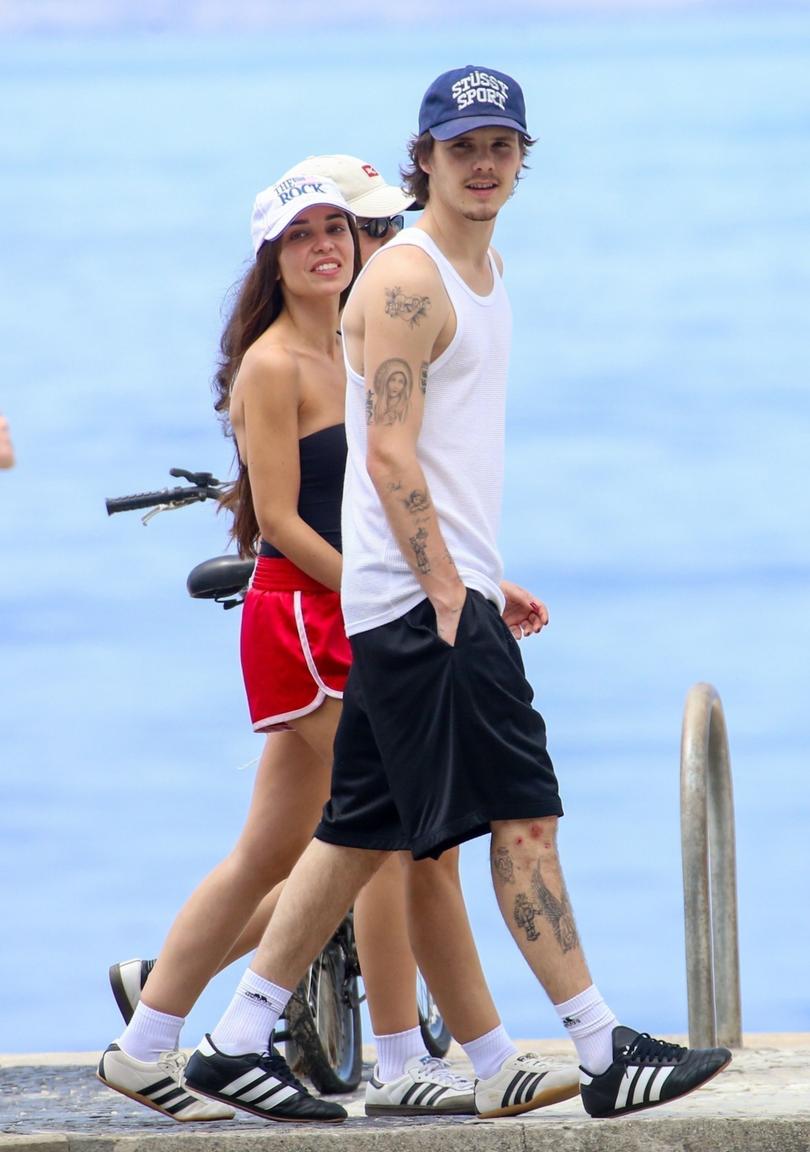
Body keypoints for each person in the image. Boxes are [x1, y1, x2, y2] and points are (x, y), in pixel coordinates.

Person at [181, 66, 733, 1124]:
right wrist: (446, 590)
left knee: (362, 833)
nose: (482, 164)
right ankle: (599, 1041)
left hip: (431, 592)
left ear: (524, 160)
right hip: (420, 605)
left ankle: (232, 1039)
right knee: (526, 813)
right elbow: (387, 455)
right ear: (422, 157)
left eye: (501, 146)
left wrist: (483, 571)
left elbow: (445, 451)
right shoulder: (409, 281)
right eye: (461, 146)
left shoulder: (481, 271)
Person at [98, 156, 574, 1124]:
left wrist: (479, 578)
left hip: (352, 609)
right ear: (272, 258)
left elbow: (396, 490)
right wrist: (387, 588)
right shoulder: (272, 366)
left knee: (269, 856)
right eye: (304, 236)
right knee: (397, 838)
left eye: (340, 232)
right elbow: (280, 521)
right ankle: (406, 1062)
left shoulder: (356, 346)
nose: (328, 248)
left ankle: (145, 1044)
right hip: (307, 622)